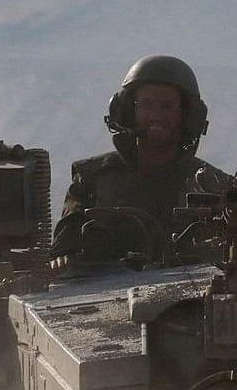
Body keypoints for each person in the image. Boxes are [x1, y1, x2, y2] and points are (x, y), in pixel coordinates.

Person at [55, 54, 214, 252]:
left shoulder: (213, 188)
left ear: (188, 116)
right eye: (146, 104)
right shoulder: (91, 180)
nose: (156, 115)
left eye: (167, 106)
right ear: (128, 111)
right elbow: (62, 258)